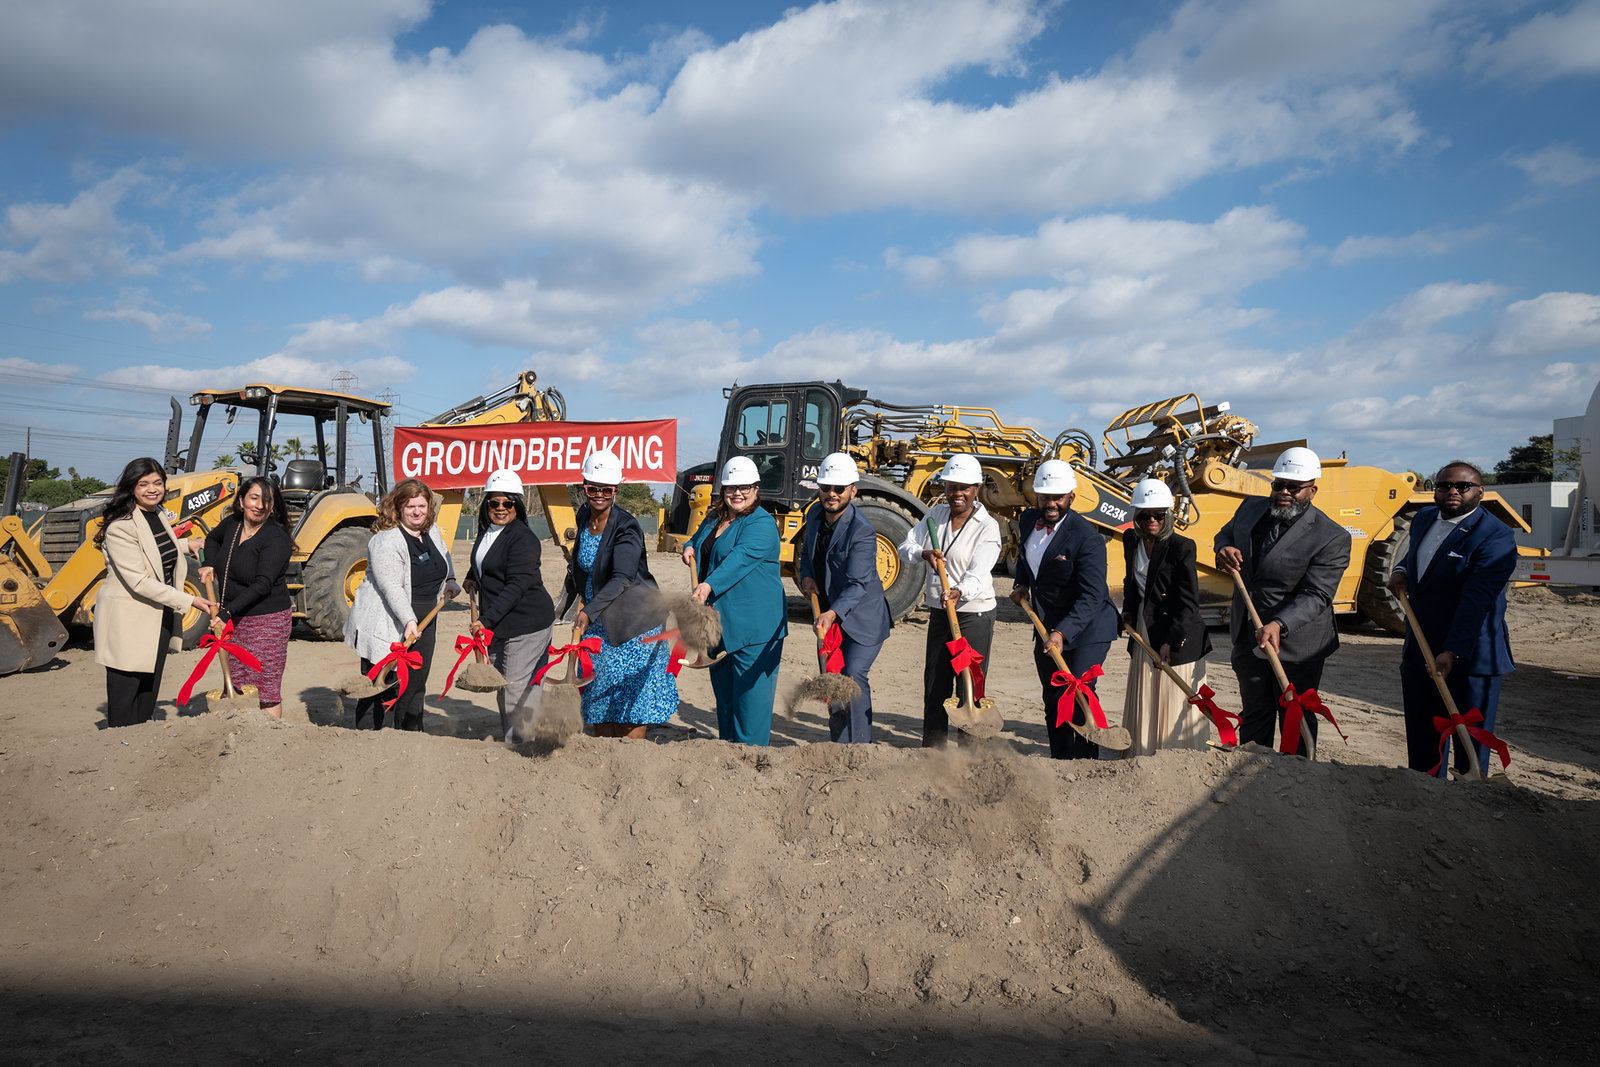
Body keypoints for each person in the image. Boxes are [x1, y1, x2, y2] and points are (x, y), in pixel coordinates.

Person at [1214, 447, 1350, 752]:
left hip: (1298, 644)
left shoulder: (1331, 537)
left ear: (1312, 490)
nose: (1284, 492)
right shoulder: (1250, 508)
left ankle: (1299, 780)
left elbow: (1317, 594)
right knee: (1254, 712)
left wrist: (1279, 623)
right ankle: (1253, 781)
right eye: (1278, 485)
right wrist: (1223, 549)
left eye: (1294, 487)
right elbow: (1224, 535)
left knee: (1295, 714)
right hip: (1249, 634)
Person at [1385, 461, 1517, 777]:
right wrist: (1401, 570)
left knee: (1469, 748)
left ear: (1480, 492)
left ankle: (1467, 809)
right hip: (1421, 649)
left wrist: (1451, 651)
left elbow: (1477, 601)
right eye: (1444, 485)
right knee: (1423, 745)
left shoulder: (1495, 537)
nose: (1452, 491)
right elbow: (1414, 556)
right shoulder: (1424, 519)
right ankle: (1427, 804)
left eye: (1462, 486)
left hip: (1470, 657)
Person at [559, 450, 680, 739]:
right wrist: (568, 604)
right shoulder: (583, 516)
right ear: (583, 486)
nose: (599, 494)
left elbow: (622, 578)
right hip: (599, 626)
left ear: (616, 490)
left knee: (628, 710)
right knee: (600, 704)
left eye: (606, 489)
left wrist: (588, 611)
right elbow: (582, 569)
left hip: (634, 626)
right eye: (592, 488)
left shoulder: (627, 527)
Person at [1009, 459, 1120, 759]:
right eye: (1045, 496)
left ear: (1071, 495)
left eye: (1058, 497)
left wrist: (1062, 633)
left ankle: (1085, 764)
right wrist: (1022, 584)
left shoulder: (1087, 538)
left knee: (1079, 691)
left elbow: (1093, 595)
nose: (1051, 503)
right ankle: (1060, 760)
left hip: (1088, 626)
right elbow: (1025, 558)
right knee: (1054, 694)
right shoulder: (1028, 519)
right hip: (1046, 623)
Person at [92, 457, 214, 727]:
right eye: (143, 483)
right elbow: (139, 581)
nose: (152, 489)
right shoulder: (121, 526)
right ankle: (119, 749)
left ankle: (139, 748)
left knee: (148, 690)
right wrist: (190, 599)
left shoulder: (157, 513)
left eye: (157, 483)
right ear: (131, 487)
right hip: (129, 620)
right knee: (127, 694)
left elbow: (155, 549)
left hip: (157, 617)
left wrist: (186, 544)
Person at [898, 454, 1003, 747]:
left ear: (976, 489)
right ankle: (933, 750)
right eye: (951, 486)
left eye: (964, 488)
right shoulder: (935, 516)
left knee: (968, 683)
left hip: (973, 613)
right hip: (941, 611)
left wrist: (959, 591)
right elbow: (906, 545)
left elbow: (979, 573)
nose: (957, 493)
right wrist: (924, 554)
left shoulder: (987, 526)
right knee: (936, 682)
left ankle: (970, 753)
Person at [684, 456, 787, 745]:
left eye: (744, 488)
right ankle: (729, 765)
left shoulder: (762, 525)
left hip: (755, 631)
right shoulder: (716, 516)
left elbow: (739, 560)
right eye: (731, 488)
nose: (737, 494)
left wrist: (707, 585)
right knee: (726, 703)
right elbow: (699, 538)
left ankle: (752, 769)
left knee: (750, 708)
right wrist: (690, 548)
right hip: (719, 627)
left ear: (756, 489)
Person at [343, 479, 459, 731]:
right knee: (382, 686)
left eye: (422, 505)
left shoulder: (431, 530)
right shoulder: (386, 541)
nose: (417, 511)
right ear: (397, 508)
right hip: (387, 621)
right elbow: (391, 587)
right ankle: (371, 740)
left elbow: (443, 554)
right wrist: (408, 621)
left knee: (416, 683)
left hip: (425, 618)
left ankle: (409, 738)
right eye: (410, 506)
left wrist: (450, 578)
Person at [796, 452, 892, 743]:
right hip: (830, 618)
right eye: (826, 488)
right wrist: (806, 577)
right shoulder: (813, 514)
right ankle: (839, 745)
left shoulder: (861, 531)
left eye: (839, 489)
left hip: (863, 620)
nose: (832, 494)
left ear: (853, 490)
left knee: (853, 676)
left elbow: (857, 585)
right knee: (832, 678)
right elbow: (806, 555)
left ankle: (860, 746)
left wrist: (832, 613)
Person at [1119, 477, 1212, 755]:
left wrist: (1171, 642)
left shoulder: (1181, 547)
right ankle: (1142, 750)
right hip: (1145, 629)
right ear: (1137, 515)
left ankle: (1173, 755)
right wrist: (1128, 611)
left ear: (1168, 515)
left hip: (1177, 632)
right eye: (1145, 515)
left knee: (1172, 697)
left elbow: (1188, 602)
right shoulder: (1130, 540)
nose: (1152, 520)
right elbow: (1131, 582)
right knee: (1146, 690)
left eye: (1158, 515)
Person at [462, 469, 556, 740]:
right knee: (508, 686)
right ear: (486, 505)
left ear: (518, 504)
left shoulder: (523, 539)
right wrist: (472, 577)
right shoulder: (486, 531)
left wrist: (485, 620)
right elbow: (486, 561)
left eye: (507, 503)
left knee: (514, 687)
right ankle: (527, 738)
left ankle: (518, 748)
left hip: (527, 622)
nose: (501, 509)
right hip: (500, 621)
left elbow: (517, 585)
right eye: (494, 503)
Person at [197, 476, 295, 718]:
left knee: (265, 687)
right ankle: (241, 737)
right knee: (237, 681)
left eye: (266, 501)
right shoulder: (232, 524)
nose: (259, 505)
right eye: (253, 498)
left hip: (267, 621)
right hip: (234, 618)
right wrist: (209, 563)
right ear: (241, 501)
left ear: (273, 507)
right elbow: (211, 539)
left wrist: (224, 613)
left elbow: (262, 585)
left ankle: (268, 742)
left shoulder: (276, 538)